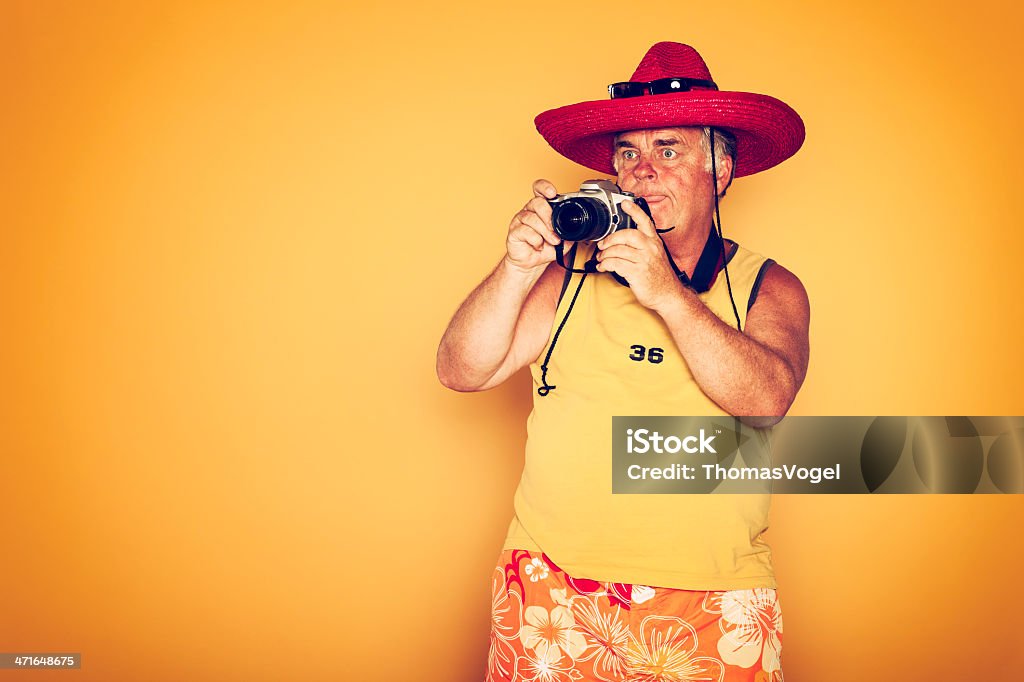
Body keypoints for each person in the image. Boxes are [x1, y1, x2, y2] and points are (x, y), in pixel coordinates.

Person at [437, 42, 809, 682]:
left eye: (668, 149)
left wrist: (664, 291)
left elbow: (765, 400)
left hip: (713, 602)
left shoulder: (768, 287)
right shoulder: (568, 275)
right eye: (628, 153)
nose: (642, 172)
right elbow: (461, 371)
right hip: (551, 590)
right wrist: (517, 268)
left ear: (720, 169)